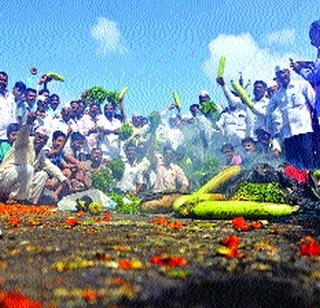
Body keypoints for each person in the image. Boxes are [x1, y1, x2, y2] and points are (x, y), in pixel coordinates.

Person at [0, 125, 69, 204]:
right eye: (39, 137)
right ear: (35, 136)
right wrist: (29, 122)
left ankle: (30, 202)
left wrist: (63, 179)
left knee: (42, 174)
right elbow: (22, 134)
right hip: (5, 179)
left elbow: (49, 166)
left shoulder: (40, 152)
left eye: (44, 139)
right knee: (28, 169)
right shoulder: (24, 142)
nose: (41, 140)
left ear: (46, 142)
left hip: (18, 183)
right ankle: (16, 199)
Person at [267, 68, 316, 170]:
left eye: (283, 72)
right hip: (288, 135)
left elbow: (315, 103)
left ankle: (313, 185)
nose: (282, 75)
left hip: (304, 131)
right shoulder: (277, 95)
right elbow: (267, 111)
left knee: (308, 163)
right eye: (279, 74)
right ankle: (297, 185)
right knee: (293, 167)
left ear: (288, 72)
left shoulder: (303, 85)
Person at [0, 72, 16, 143]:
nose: (2, 82)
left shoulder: (11, 97)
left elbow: (13, 114)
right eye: (0, 80)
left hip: (9, 137)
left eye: (5, 80)